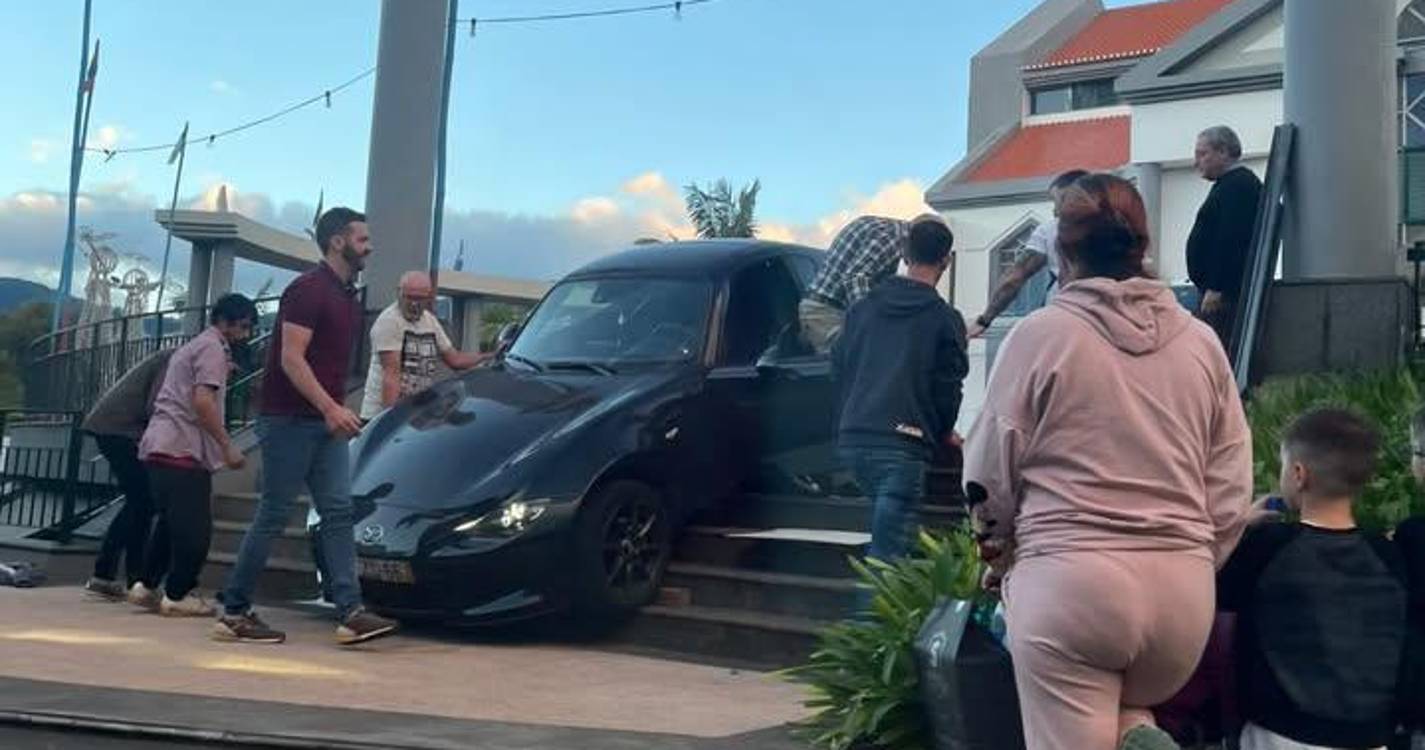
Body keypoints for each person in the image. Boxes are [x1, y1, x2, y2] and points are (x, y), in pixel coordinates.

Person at [962, 173, 1252, 750]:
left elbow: (986, 472)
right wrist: (1194, 556)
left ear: (1062, 250)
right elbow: (1230, 487)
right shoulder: (1201, 344)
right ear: (1142, 246)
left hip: (1072, 587)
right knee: (1126, 717)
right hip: (1181, 601)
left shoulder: (1042, 335)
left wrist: (997, 556)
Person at [216, 207, 398, 645]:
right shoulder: (307, 290)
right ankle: (234, 612)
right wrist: (331, 409)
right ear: (338, 241)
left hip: (322, 421)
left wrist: (331, 411)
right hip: (287, 421)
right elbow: (290, 359)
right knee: (274, 513)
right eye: (362, 239)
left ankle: (350, 611)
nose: (369, 247)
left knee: (337, 511)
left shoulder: (346, 295)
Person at [1218, 408, 1408, 750]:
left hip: (1279, 732)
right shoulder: (1388, 555)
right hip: (1370, 736)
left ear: (1298, 474)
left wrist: (1239, 525)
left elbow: (1213, 586)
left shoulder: (1267, 546)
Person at [832, 216, 965, 567]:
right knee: (888, 558)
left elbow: (839, 365)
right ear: (946, 261)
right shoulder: (944, 319)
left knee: (880, 541)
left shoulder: (861, 309)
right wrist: (941, 432)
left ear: (904, 253)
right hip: (902, 444)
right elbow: (948, 387)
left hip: (854, 438)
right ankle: (874, 622)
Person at [132, 294, 256, 616]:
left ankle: (145, 585)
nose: (245, 334)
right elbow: (203, 402)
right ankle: (178, 593)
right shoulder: (213, 349)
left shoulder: (195, 346)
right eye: (242, 327)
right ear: (225, 322)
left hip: (159, 446)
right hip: (183, 449)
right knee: (195, 531)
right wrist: (226, 444)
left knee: (170, 524)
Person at [80, 349, 174, 602]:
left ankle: (119, 576)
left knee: (141, 503)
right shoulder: (176, 360)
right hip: (119, 430)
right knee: (143, 502)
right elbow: (157, 403)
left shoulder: (172, 357)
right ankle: (119, 576)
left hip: (115, 428)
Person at [967, 169, 1089, 338]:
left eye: (1057, 201)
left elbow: (1014, 278)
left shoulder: (1049, 231)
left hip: (1062, 321)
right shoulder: (1122, 229)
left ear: (1071, 197)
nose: (1054, 211)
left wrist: (984, 320)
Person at [800, 214, 945, 352]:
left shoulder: (885, 229)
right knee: (855, 365)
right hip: (827, 313)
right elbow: (855, 278)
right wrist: (870, 319)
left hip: (825, 307)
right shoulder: (892, 238)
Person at [359, 270, 489, 420]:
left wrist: (487, 356)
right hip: (379, 417)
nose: (414, 304)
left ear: (429, 298)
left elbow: (455, 360)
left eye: (420, 299)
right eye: (410, 298)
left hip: (413, 415)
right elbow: (391, 377)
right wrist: (389, 421)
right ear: (399, 293)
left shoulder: (430, 321)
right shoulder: (389, 322)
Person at [1186, 125, 1263, 345]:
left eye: (1202, 154)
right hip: (1219, 290)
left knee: (1218, 350)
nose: (1196, 162)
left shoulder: (1237, 186)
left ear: (1223, 152)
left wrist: (1217, 286)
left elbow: (1231, 239)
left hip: (1223, 294)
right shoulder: (1229, 184)